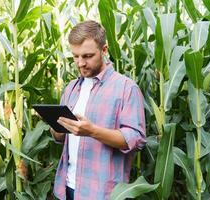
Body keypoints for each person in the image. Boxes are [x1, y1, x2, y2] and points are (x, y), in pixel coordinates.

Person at [50, 20, 146, 200]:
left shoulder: (126, 88)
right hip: (67, 187)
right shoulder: (71, 88)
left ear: (104, 50)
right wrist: (58, 131)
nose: (80, 63)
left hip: (102, 192)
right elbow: (59, 137)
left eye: (87, 56)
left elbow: (136, 139)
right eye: (75, 56)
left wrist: (92, 131)